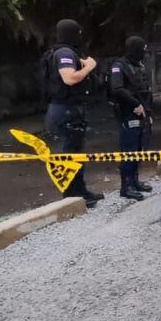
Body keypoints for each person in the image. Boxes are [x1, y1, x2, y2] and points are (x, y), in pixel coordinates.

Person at [43, 19, 104, 207]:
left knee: (76, 153)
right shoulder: (64, 53)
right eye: (78, 33)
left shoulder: (68, 52)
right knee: (67, 154)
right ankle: (70, 198)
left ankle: (81, 191)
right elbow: (69, 78)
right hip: (64, 110)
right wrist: (89, 67)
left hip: (70, 109)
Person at [109, 36, 153, 201]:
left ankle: (134, 181)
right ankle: (126, 186)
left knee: (139, 147)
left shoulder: (138, 65)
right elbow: (117, 89)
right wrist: (135, 104)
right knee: (129, 149)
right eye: (142, 49)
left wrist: (148, 112)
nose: (144, 53)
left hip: (142, 112)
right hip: (128, 113)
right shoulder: (119, 67)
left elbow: (144, 89)